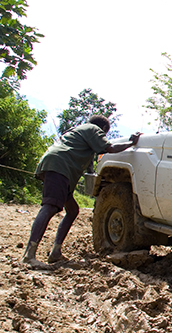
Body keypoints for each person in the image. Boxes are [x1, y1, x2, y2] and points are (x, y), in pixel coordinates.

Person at [21, 115, 141, 268]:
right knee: (50, 207)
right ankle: (29, 255)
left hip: (58, 167)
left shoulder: (79, 130)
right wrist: (131, 142)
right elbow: (109, 148)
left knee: (72, 210)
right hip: (59, 166)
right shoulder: (93, 129)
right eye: (105, 133)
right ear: (103, 129)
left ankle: (55, 252)